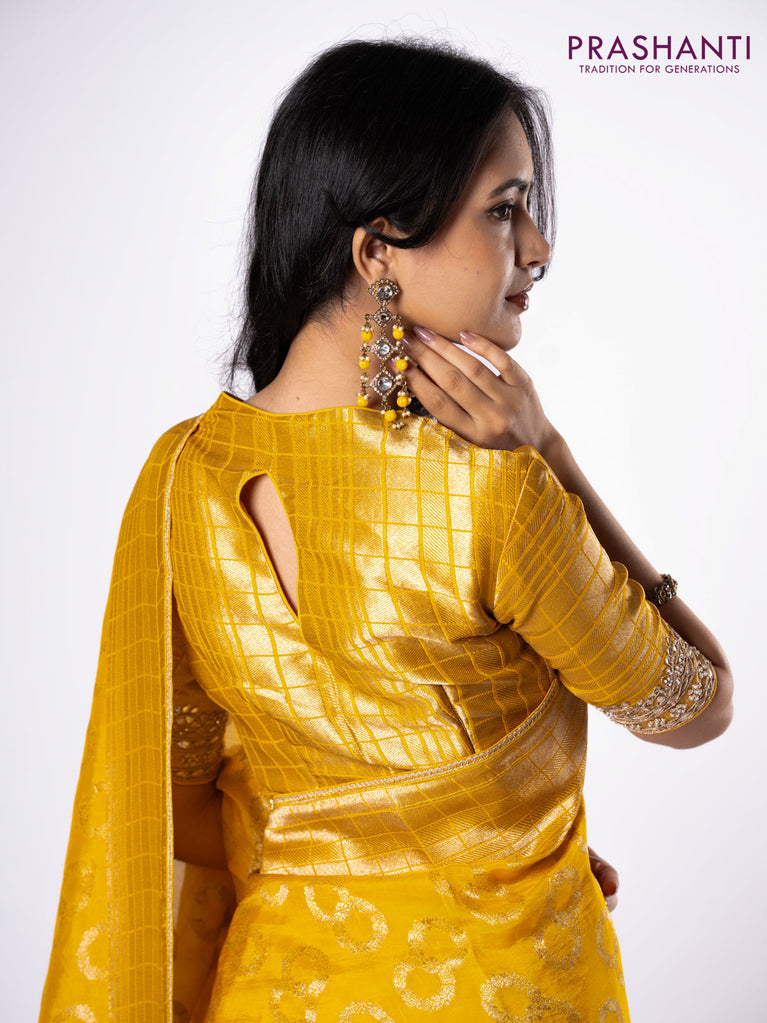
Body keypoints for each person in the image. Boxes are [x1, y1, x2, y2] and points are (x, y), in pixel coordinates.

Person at [39, 38, 733, 1023]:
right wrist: (551, 453)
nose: (537, 247)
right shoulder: (489, 486)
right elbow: (694, 706)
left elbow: (182, 802)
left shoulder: (180, 477)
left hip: (272, 994)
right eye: (503, 208)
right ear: (376, 252)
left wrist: (454, 832)